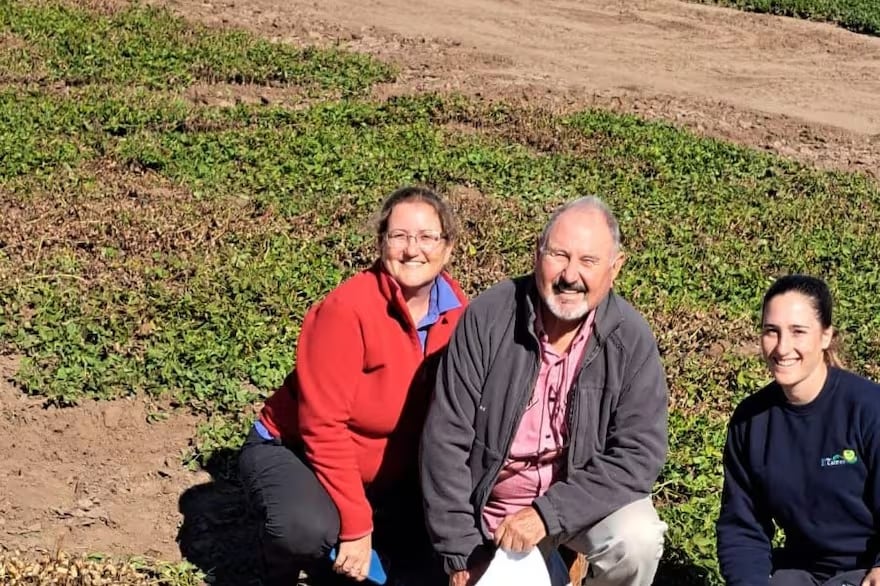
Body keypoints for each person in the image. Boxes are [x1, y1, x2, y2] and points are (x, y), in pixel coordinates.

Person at [420, 196, 669, 586]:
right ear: (538, 253)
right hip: (487, 510)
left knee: (636, 539)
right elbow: (444, 441)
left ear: (614, 268)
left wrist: (547, 514)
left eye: (588, 261)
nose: (571, 275)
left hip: (574, 509)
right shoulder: (489, 316)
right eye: (559, 255)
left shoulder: (630, 339)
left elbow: (639, 454)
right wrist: (460, 554)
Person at [238, 186, 468, 585]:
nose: (413, 249)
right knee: (303, 528)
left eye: (428, 237)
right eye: (399, 236)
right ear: (381, 243)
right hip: (296, 451)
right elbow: (322, 427)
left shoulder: (459, 314)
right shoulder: (347, 310)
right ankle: (278, 563)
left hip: (384, 474)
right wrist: (357, 526)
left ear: (448, 248)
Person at [717, 275, 880, 586]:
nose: (782, 347)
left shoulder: (869, 408)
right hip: (802, 573)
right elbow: (743, 527)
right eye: (771, 332)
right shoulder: (751, 420)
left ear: (825, 336)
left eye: (798, 332)